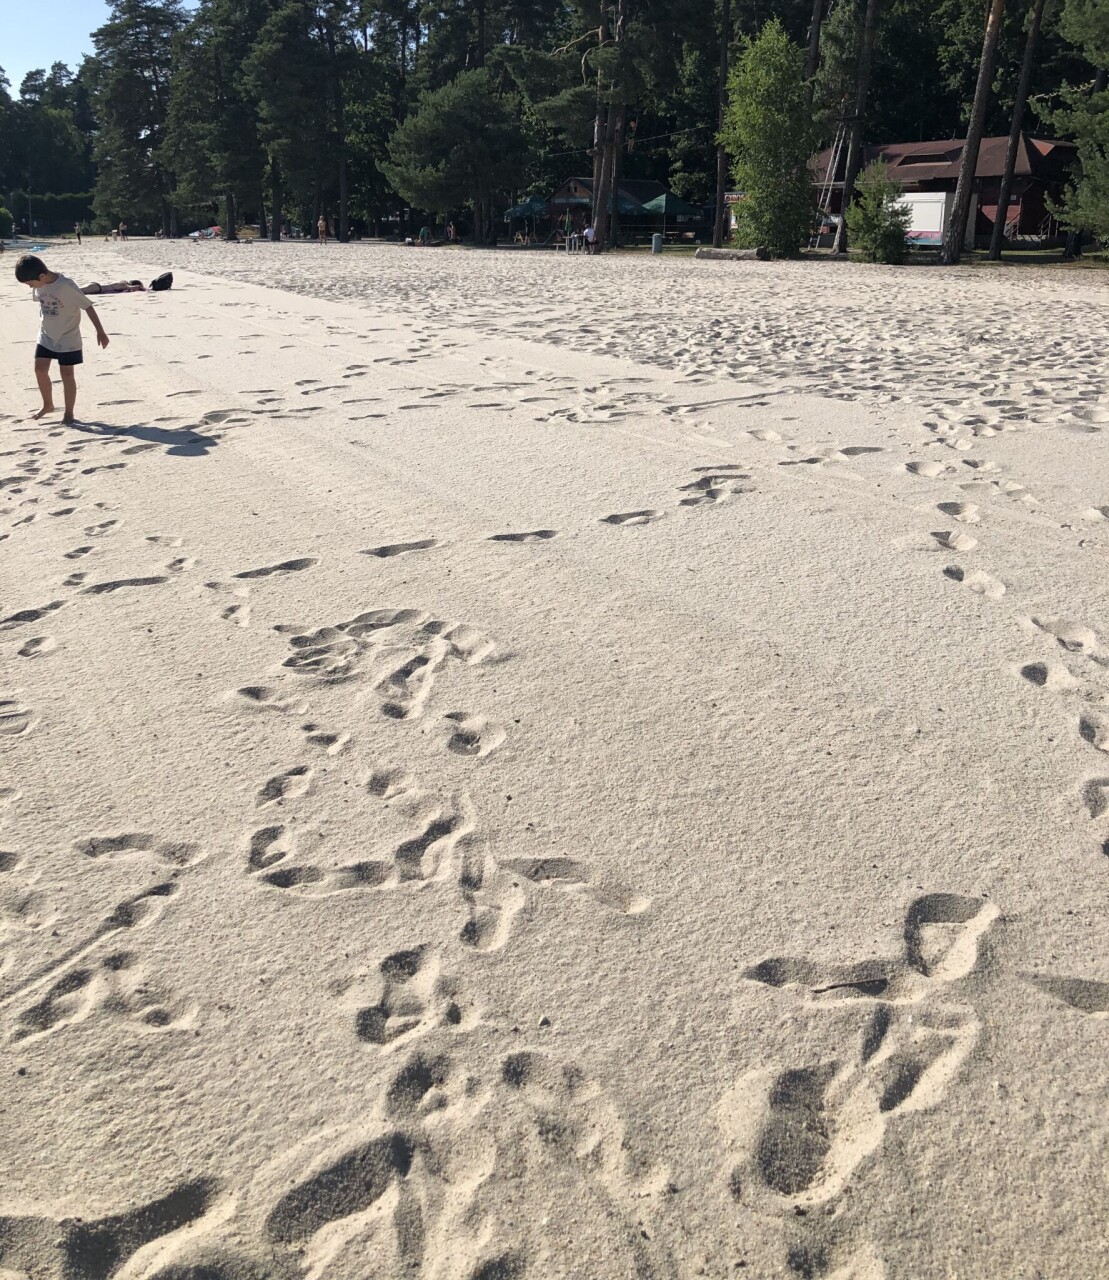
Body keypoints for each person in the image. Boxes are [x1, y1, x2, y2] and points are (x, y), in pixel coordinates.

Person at [14, 254, 109, 425]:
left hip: (68, 336)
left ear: (42, 276)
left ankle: (69, 413)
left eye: (30, 284)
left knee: (66, 374)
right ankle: (48, 405)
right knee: (40, 369)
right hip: (46, 335)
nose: (30, 287)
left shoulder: (66, 285)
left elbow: (88, 306)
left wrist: (100, 331)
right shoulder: (40, 284)